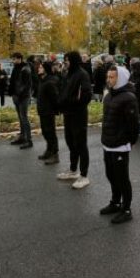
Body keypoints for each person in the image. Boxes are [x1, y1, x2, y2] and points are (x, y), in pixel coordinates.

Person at [99, 65, 140, 224]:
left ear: (120, 78)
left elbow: (134, 124)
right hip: (108, 144)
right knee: (111, 175)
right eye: (108, 77)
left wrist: (131, 141)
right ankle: (115, 202)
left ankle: (126, 209)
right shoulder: (109, 95)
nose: (108, 80)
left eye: (112, 77)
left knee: (122, 178)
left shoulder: (129, 98)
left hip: (120, 146)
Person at [58, 51, 93, 189]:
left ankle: (84, 176)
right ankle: (73, 171)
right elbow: (64, 92)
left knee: (81, 144)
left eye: (67, 60)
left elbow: (87, 95)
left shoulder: (82, 74)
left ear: (73, 60)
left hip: (78, 115)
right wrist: (61, 103)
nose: (65, 62)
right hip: (68, 114)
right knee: (70, 142)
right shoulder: (68, 74)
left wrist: (72, 102)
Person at [36, 61, 61, 164]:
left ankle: (55, 155)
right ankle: (49, 150)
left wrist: (56, 110)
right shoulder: (43, 80)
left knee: (50, 133)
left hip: (48, 112)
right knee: (45, 132)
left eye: (41, 67)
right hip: (42, 111)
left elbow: (55, 98)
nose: (39, 69)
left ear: (46, 69)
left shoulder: (50, 82)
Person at [9, 52, 34, 149]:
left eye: (14, 59)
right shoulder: (16, 67)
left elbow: (27, 85)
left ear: (20, 59)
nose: (13, 61)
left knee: (24, 118)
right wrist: (13, 93)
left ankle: (29, 140)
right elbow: (14, 81)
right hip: (17, 96)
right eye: (13, 59)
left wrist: (19, 94)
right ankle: (22, 137)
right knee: (20, 118)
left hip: (23, 97)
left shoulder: (25, 69)